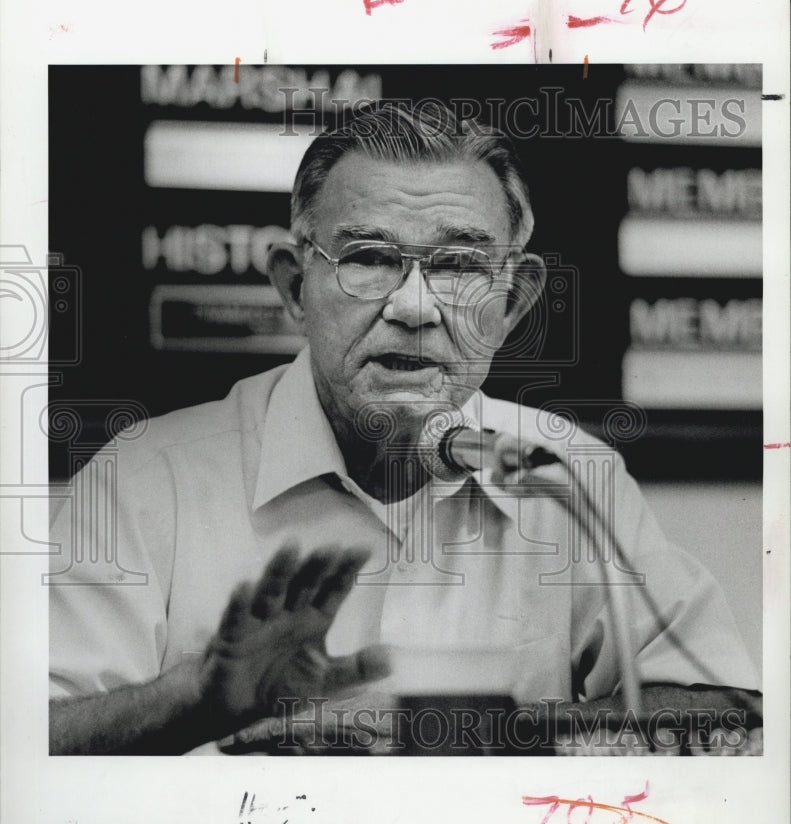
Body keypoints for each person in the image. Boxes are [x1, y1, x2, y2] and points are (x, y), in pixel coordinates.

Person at [49, 101, 761, 755]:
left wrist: (465, 733)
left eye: (458, 266)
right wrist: (193, 703)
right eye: (369, 258)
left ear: (513, 301)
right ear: (295, 286)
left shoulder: (562, 471)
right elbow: (27, 747)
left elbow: (725, 709)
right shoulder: (143, 479)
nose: (414, 307)